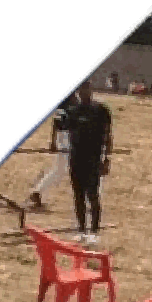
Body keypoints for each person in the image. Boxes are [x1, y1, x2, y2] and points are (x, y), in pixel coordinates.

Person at [63, 80, 113, 243]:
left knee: (92, 195)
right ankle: (81, 229)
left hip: (93, 159)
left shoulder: (101, 110)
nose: (84, 92)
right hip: (76, 158)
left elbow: (108, 136)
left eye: (87, 88)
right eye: (81, 89)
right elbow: (65, 129)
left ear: (91, 90)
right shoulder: (73, 111)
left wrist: (106, 159)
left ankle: (94, 232)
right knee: (78, 196)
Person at [28, 91, 77, 208]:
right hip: (66, 136)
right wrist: (53, 141)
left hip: (69, 137)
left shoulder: (70, 102)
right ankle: (37, 192)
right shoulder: (66, 104)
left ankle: (38, 191)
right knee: (60, 169)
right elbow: (56, 123)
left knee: (61, 169)